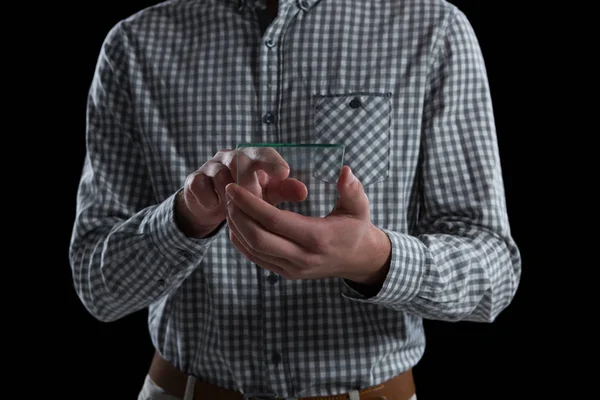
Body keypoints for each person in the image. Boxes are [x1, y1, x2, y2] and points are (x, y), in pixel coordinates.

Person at [69, 0, 521, 399]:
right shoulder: (134, 44)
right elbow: (98, 288)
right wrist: (185, 217)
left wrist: (374, 259)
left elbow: (493, 274)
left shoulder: (432, 28)